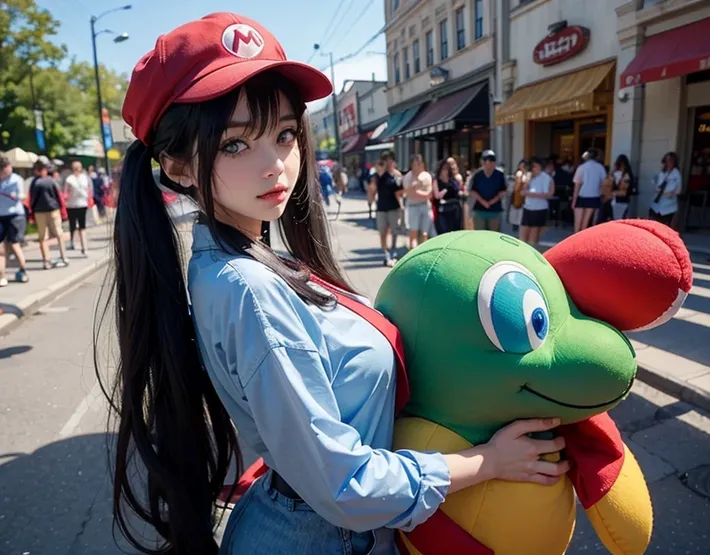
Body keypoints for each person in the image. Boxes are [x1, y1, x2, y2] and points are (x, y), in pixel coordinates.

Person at [95, 13, 569, 555]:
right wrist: (488, 462)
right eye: (234, 145)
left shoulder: (251, 259)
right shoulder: (247, 285)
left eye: (284, 134)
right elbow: (345, 486)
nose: (275, 164)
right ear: (177, 167)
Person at [29, 161, 69, 269]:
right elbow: (58, 196)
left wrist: (31, 214)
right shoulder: (51, 181)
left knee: (43, 237)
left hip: (39, 211)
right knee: (59, 234)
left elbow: (32, 199)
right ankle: (63, 257)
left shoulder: (34, 182)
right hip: (53, 209)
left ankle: (46, 260)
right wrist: (63, 210)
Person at [0, 155, 29, 285]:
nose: (8, 171)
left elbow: (23, 196)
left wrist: (15, 196)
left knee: (14, 243)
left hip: (15, 215)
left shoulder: (16, 179)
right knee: (0, 247)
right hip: (1, 215)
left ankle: (23, 270)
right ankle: (1, 276)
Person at [376, 150, 403, 266]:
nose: (388, 162)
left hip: (393, 207)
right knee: (382, 232)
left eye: (390, 160)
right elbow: (376, 181)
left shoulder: (397, 175)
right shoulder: (379, 174)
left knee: (394, 231)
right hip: (381, 208)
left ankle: (394, 253)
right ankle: (386, 254)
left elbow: (401, 189)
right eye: (386, 160)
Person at [520, 157, 555, 248]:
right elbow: (521, 191)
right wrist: (527, 180)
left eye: (535, 166)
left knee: (533, 237)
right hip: (528, 207)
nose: (533, 169)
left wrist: (531, 194)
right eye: (532, 166)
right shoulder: (528, 176)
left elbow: (549, 194)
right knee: (523, 234)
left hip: (540, 208)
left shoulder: (546, 178)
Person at [470, 150, 507, 232]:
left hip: (495, 211)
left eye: (491, 161)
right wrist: (483, 202)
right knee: (480, 235)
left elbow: (503, 191)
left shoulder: (499, 175)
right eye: (486, 161)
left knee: (494, 236)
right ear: (482, 162)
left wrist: (491, 202)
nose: (489, 164)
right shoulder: (477, 175)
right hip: (479, 210)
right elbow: (472, 191)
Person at [572, 148, 606, 233]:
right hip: (594, 195)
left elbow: (577, 184)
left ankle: (575, 238)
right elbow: (604, 182)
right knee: (586, 222)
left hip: (582, 195)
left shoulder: (582, 167)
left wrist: (574, 199)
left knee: (577, 222)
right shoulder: (600, 167)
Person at [403, 154, 433, 249]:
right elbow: (408, 193)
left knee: (424, 234)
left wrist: (415, 190)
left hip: (425, 206)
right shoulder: (408, 177)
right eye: (414, 164)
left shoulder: (426, 176)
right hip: (413, 207)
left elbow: (429, 193)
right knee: (413, 234)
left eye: (419, 164)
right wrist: (415, 190)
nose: (417, 166)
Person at [63, 161, 91, 256]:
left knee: (82, 227)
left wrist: (89, 200)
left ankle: (84, 247)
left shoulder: (84, 178)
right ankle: (73, 242)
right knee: (73, 225)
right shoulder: (70, 179)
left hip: (82, 204)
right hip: (72, 205)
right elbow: (65, 192)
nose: (77, 169)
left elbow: (89, 190)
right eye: (76, 167)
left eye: (78, 167)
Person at [649, 152, 681, 227]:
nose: (667, 163)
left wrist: (670, 193)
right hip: (657, 203)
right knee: (653, 222)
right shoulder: (662, 172)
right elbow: (655, 182)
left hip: (669, 205)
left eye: (670, 161)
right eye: (666, 161)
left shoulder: (676, 173)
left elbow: (679, 190)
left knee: (666, 226)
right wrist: (656, 187)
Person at [433, 158, 463, 234]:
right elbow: (437, 196)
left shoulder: (453, 180)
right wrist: (445, 190)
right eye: (444, 169)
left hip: (455, 209)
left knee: (456, 231)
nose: (446, 171)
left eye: (447, 169)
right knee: (444, 232)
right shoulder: (436, 181)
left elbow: (458, 192)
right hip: (443, 210)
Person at [610, 155, 634, 220]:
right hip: (617, 201)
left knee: (617, 220)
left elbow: (624, 191)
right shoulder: (617, 174)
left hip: (621, 201)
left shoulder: (626, 176)